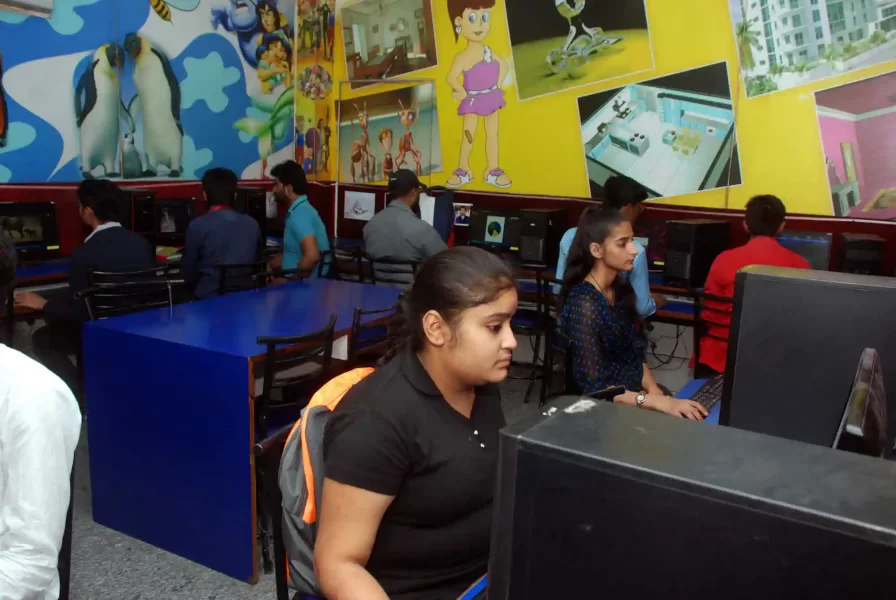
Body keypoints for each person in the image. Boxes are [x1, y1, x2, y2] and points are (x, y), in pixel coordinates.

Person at [314, 246, 517, 600]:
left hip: (486, 578)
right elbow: (337, 564)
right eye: (494, 327)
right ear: (436, 328)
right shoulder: (376, 422)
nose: (511, 341)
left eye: (510, 324)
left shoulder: (481, 384)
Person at [560, 207, 707, 420]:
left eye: (632, 240)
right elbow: (597, 388)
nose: (634, 250)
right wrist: (653, 401)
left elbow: (634, 353)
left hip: (632, 398)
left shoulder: (619, 290)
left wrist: (656, 393)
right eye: (623, 244)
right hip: (600, 413)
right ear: (596, 250)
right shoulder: (584, 303)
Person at [16, 180, 155, 398]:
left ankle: (80, 396)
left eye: (80, 207)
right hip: (139, 329)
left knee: (42, 339)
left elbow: (79, 315)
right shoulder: (143, 245)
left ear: (88, 211)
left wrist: (43, 304)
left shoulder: (84, 254)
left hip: (102, 334)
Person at [0, 232, 82, 599]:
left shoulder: (30, 398)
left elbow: (28, 564)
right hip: (101, 336)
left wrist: (45, 305)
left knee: (44, 339)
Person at [697, 195, 811, 377]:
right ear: (782, 225)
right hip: (775, 360)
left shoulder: (723, 259)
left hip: (722, 357)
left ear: (746, 225)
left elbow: (709, 310)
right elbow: (802, 319)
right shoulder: (800, 265)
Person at [556, 175, 657, 317]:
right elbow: (642, 308)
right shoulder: (636, 251)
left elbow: (558, 289)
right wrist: (656, 302)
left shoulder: (569, 236)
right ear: (628, 208)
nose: (632, 250)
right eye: (640, 209)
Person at [180, 168, 264, 299]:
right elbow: (259, 263)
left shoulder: (197, 225)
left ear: (205, 195)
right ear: (235, 195)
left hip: (208, 299)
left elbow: (188, 272)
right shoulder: (253, 224)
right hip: (246, 297)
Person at [363, 169, 448, 284]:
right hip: (412, 292)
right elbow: (446, 261)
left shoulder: (370, 226)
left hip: (378, 290)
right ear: (414, 192)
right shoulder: (421, 228)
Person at [270, 160, 330, 277]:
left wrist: (291, 283)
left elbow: (312, 257)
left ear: (288, 189)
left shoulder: (300, 214)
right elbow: (296, 252)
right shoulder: (301, 209)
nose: (274, 190)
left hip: (307, 285)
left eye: (277, 185)